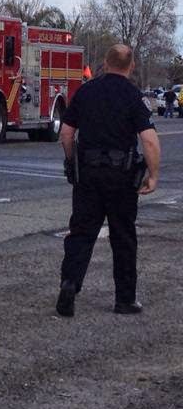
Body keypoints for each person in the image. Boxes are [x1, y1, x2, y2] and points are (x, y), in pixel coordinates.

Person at [56, 44, 160, 318]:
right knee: (123, 236)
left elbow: (66, 134)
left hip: (88, 175)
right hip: (121, 177)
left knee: (81, 233)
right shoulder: (133, 96)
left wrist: (71, 163)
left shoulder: (86, 91)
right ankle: (125, 300)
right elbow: (148, 140)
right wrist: (153, 175)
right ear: (132, 66)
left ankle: (69, 284)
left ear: (104, 62)